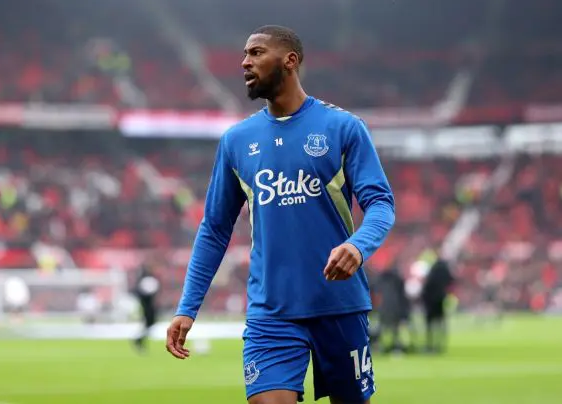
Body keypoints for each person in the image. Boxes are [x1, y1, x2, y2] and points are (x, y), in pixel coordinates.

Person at [166, 25, 395, 404]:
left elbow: (381, 203)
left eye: (256, 53)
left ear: (290, 61)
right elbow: (214, 228)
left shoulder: (343, 128)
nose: (244, 62)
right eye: (245, 54)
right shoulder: (237, 141)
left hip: (338, 305)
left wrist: (358, 246)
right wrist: (187, 307)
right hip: (271, 311)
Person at [421, 255, 454, 354]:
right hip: (440, 299)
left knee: (430, 325)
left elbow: (427, 286)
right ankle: (439, 345)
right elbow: (451, 280)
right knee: (440, 323)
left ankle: (430, 345)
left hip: (430, 301)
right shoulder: (445, 270)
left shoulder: (432, 270)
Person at [132, 263, 160, 351]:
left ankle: (140, 340)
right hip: (147, 308)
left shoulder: (145, 280)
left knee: (149, 325)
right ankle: (139, 340)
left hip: (148, 307)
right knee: (149, 324)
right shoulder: (146, 280)